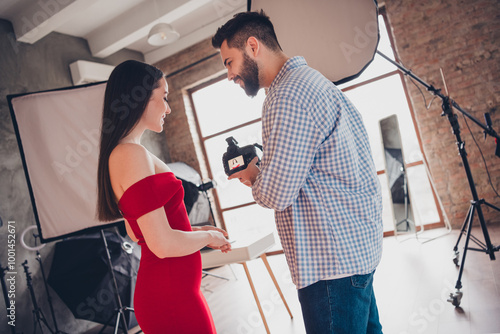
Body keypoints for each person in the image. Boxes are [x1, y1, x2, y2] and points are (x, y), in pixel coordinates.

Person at [212, 11, 384, 334]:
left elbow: (277, 193)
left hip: (330, 267)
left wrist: (252, 176)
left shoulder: (285, 96)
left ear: (252, 46)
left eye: (229, 63)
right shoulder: (317, 82)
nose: (229, 75)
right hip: (356, 252)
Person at [96, 60, 232, 333]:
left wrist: (196, 229)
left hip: (175, 292)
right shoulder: (129, 155)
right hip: (171, 297)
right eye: (165, 97)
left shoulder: (132, 153)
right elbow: (161, 244)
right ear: (141, 97)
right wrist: (208, 237)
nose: (168, 108)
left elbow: (140, 233)